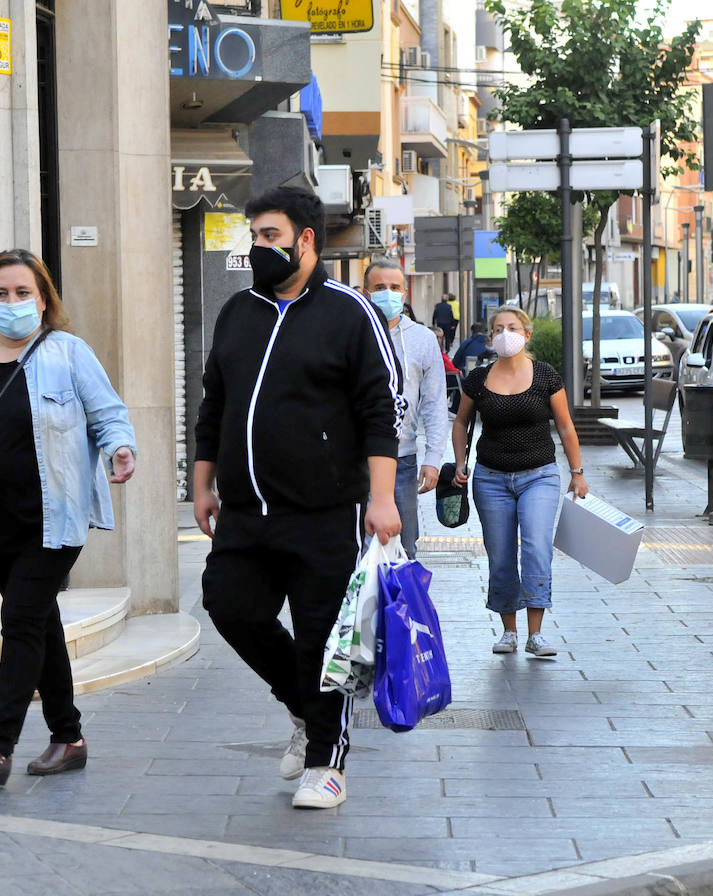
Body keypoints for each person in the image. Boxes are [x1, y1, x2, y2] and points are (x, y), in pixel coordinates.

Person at [194, 186, 404, 810]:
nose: (259, 247)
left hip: (323, 512)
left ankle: (326, 761)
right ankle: (304, 709)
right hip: (245, 512)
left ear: (305, 239)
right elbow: (214, 405)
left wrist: (383, 500)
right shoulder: (238, 313)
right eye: (254, 236)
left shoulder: (348, 312)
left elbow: (380, 411)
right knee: (230, 607)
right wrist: (203, 483)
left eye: (270, 236)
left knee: (319, 637)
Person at [0, 248, 136, 787]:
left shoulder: (68, 353)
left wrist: (120, 448)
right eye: (1, 294)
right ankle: (68, 737)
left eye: (23, 293)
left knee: (21, 620)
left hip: (54, 518)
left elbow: (108, 413)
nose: (12, 303)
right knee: (39, 622)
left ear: (44, 301)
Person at [451, 306, 588, 658]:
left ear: (527, 335)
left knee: (537, 547)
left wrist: (577, 473)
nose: (505, 333)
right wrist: (461, 462)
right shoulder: (478, 380)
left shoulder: (545, 375)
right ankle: (509, 631)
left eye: (512, 327)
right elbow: (460, 422)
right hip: (490, 478)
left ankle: (536, 633)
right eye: (498, 329)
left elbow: (565, 426)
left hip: (539, 476)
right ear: (491, 337)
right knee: (500, 554)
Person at [364, 257, 448, 558]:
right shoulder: (351, 333)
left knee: (402, 548)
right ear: (365, 292)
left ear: (405, 292)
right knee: (354, 551)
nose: (388, 293)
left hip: (403, 460)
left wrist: (434, 458)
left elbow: (435, 402)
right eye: (379, 287)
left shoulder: (423, 340)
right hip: (353, 462)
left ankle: (401, 607)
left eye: (394, 287)